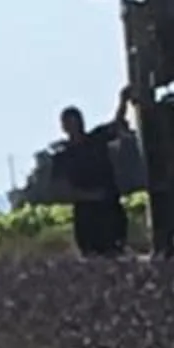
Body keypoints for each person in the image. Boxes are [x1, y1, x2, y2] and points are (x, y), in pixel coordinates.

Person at [57, 87, 135, 256]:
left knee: (116, 253)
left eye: (76, 122)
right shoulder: (63, 157)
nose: (74, 127)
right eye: (69, 124)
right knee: (93, 259)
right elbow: (63, 191)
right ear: (64, 128)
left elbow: (117, 124)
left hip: (110, 211)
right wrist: (90, 196)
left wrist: (123, 101)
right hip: (87, 218)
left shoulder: (97, 139)